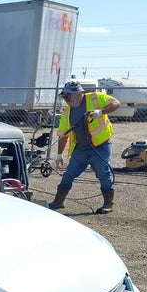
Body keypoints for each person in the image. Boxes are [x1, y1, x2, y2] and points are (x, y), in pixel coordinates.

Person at [48, 80, 121, 214]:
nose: (65, 100)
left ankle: (108, 204)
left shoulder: (95, 98)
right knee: (69, 174)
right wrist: (59, 155)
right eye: (64, 97)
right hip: (81, 149)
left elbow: (116, 104)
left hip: (100, 146)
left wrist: (101, 112)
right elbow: (63, 134)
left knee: (103, 173)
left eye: (67, 96)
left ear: (77, 94)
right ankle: (58, 201)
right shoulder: (67, 112)